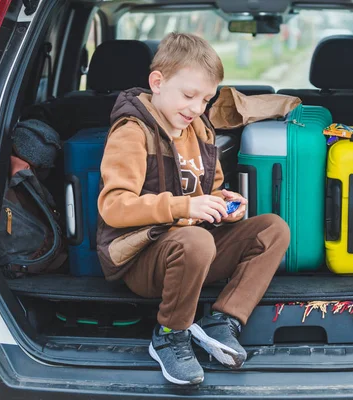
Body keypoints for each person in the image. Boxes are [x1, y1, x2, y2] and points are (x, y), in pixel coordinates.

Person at [96, 32, 290, 385]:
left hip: (193, 252)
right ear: (158, 82)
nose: (197, 108)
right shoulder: (132, 131)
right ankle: (170, 334)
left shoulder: (199, 129)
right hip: (144, 259)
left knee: (273, 227)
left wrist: (224, 204)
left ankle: (223, 320)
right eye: (189, 96)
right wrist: (185, 207)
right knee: (196, 241)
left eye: (206, 99)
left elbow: (209, 188)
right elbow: (114, 206)